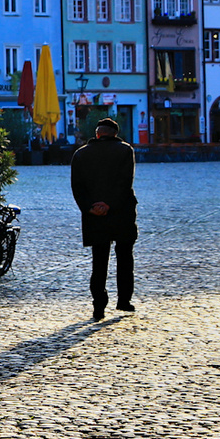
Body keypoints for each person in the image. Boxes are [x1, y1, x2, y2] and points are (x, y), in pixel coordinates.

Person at [70, 117, 138, 320]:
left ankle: (98, 306)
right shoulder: (125, 151)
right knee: (124, 257)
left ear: (98, 134)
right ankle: (124, 300)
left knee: (99, 261)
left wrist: (90, 207)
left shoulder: (80, 154)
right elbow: (125, 182)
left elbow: (77, 187)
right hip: (121, 213)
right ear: (115, 134)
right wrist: (110, 204)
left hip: (94, 216)